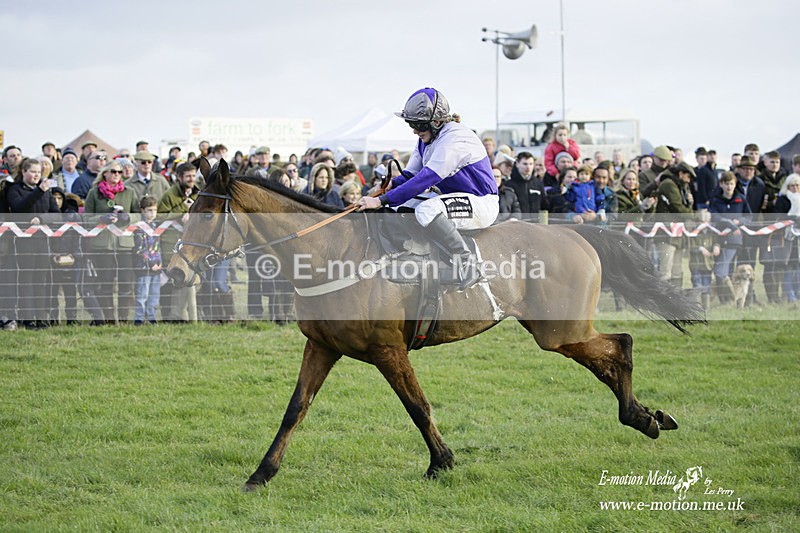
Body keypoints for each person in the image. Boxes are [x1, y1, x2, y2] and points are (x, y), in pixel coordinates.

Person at [356, 88, 499, 290]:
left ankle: (468, 264)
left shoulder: (455, 138)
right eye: (411, 123)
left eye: (418, 124)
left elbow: (425, 179)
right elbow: (411, 175)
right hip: (455, 198)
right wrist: (387, 185)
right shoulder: (426, 139)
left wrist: (380, 200)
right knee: (400, 205)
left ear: (437, 122)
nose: (414, 130)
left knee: (427, 210)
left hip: (481, 202)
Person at [6, 158, 61, 328]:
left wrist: (42, 219)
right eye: (33, 172)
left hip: (43, 241)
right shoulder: (15, 190)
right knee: (26, 279)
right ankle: (27, 317)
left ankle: (41, 317)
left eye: (39, 172)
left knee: (41, 279)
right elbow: (18, 208)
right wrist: (38, 190)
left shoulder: (47, 191)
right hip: (24, 242)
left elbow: (57, 214)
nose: (37, 175)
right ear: (24, 172)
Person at [83, 159, 140, 324]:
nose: (117, 175)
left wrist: (128, 217)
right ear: (105, 173)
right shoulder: (94, 193)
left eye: (119, 172)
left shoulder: (129, 192)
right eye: (113, 172)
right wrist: (101, 218)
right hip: (102, 245)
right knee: (105, 283)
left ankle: (123, 320)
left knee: (125, 284)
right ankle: (107, 320)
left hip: (124, 245)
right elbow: (85, 218)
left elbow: (139, 214)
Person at [158, 162, 199, 322]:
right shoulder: (169, 195)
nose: (191, 179)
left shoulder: (199, 194)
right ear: (179, 177)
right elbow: (159, 216)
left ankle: (186, 315)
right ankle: (169, 315)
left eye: (193, 176)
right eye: (188, 176)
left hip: (193, 245)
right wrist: (181, 211)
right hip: (171, 243)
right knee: (172, 278)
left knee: (191, 279)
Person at [710, 171, 750, 304]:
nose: (729, 187)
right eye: (726, 184)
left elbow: (749, 216)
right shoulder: (716, 200)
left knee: (721, 271)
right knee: (723, 272)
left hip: (734, 240)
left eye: (731, 184)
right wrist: (729, 223)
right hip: (719, 239)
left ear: (735, 184)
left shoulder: (740, 199)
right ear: (721, 184)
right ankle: (726, 300)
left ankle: (731, 299)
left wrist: (739, 222)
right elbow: (714, 217)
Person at [653, 161, 695, 287]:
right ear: (681, 173)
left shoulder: (679, 186)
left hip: (676, 233)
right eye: (688, 177)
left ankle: (676, 301)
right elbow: (678, 208)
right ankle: (664, 302)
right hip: (666, 233)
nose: (689, 181)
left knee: (677, 271)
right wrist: (694, 214)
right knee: (666, 271)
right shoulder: (669, 185)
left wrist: (689, 204)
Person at [132, 196, 162, 325]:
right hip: (144, 268)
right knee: (142, 295)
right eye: (149, 210)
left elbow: (158, 247)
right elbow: (138, 249)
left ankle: (152, 317)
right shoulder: (139, 228)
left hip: (157, 267)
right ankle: (139, 318)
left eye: (154, 210)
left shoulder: (157, 226)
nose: (152, 213)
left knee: (154, 295)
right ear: (142, 211)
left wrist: (160, 263)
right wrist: (150, 263)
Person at [774, 174, 800, 303]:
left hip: (799, 238)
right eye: (792, 185)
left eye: (797, 185)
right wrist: (791, 219)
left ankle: (798, 293)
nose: (795, 188)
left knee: (798, 267)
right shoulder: (783, 199)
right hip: (787, 237)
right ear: (787, 186)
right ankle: (790, 295)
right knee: (788, 266)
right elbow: (778, 217)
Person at [505, 151, 544, 220]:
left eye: (531, 164)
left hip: (535, 224)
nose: (528, 167)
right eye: (525, 164)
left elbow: (544, 204)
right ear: (517, 164)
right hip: (516, 224)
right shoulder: (509, 185)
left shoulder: (538, 183)